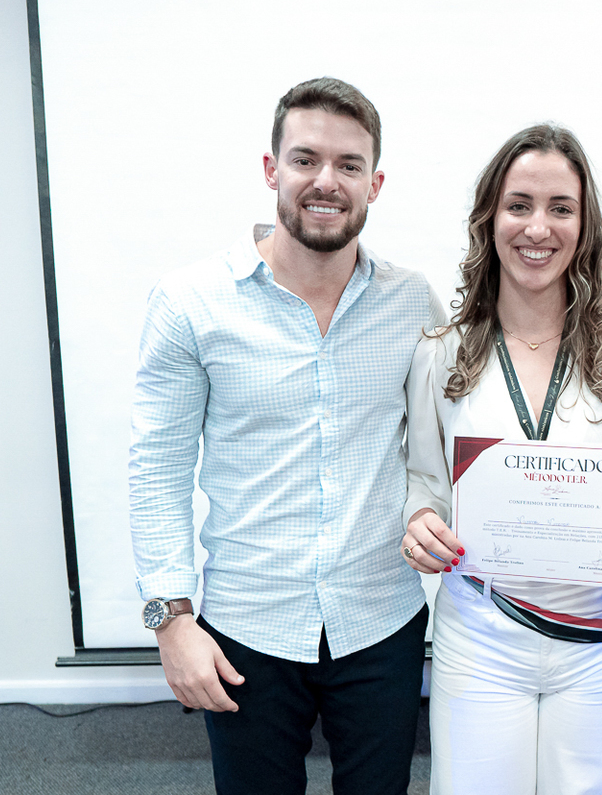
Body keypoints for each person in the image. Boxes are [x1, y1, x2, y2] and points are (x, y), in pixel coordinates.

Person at [129, 78, 444, 795]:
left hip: (381, 620)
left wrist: (586, 334)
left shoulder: (410, 302)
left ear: (375, 184)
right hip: (249, 626)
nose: (326, 181)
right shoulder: (190, 303)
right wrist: (171, 622)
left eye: (349, 165)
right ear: (272, 169)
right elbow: (158, 468)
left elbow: (467, 408)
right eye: (306, 160)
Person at [400, 124, 602, 795]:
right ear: (489, 218)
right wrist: (420, 522)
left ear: (584, 227)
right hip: (483, 631)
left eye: (561, 208)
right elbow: (426, 481)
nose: (538, 227)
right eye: (519, 205)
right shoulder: (442, 352)